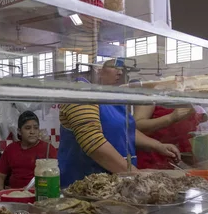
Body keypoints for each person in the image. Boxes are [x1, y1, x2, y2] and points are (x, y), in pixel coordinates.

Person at [58, 59, 180, 187]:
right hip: (85, 187)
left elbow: (124, 130)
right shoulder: (81, 92)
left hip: (115, 186)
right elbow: (92, 141)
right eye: (114, 67)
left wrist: (157, 145)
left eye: (122, 69)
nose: (120, 72)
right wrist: (134, 173)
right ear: (97, 69)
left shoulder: (109, 98)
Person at [0, 111, 58, 191]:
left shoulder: (48, 149)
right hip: (14, 195)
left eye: (36, 128)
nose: (32, 132)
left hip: (40, 195)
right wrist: (1, 191)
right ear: (19, 131)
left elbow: (54, 177)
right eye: (28, 128)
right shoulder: (10, 149)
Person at [134, 105, 202, 169]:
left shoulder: (187, 96)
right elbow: (136, 126)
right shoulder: (152, 95)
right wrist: (170, 118)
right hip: (153, 157)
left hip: (180, 157)